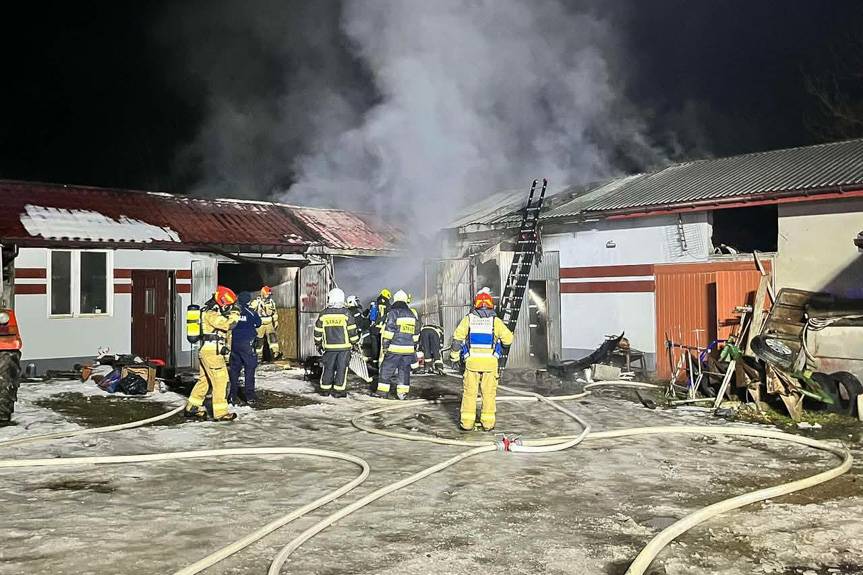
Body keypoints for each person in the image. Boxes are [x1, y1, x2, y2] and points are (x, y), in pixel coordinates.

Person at [450, 289, 514, 431]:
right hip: (490, 365)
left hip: (471, 364)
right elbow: (508, 339)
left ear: (476, 305)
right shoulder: (495, 322)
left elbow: (457, 340)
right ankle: (488, 424)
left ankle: (466, 423)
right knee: (489, 394)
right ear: (491, 305)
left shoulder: (468, 319)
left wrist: (454, 357)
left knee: (469, 393)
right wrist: (501, 347)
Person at [185, 286, 242, 421]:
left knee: (204, 381)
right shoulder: (211, 313)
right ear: (222, 302)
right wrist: (235, 314)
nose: (229, 307)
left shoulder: (212, 311)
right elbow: (227, 325)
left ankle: (193, 407)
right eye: (228, 305)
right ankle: (221, 413)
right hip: (212, 353)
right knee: (221, 381)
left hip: (208, 352)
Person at [314, 288, 359, 397]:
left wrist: (318, 344)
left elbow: (318, 331)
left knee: (328, 368)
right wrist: (355, 342)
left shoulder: (324, 314)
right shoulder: (346, 313)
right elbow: (352, 330)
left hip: (329, 348)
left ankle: (325, 390)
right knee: (341, 369)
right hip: (344, 349)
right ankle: (339, 391)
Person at [376, 290, 421, 399]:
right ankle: (402, 393)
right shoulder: (411, 314)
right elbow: (416, 332)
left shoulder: (393, 312)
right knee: (404, 370)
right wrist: (413, 345)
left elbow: (389, 330)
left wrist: (385, 346)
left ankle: (382, 392)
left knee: (386, 369)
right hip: (408, 349)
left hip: (394, 348)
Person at [228, 291, 262, 406]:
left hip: (235, 344)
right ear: (248, 301)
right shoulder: (251, 312)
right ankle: (250, 396)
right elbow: (258, 323)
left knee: (234, 371)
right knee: (249, 370)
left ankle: (232, 395)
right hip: (247, 344)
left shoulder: (233, 312)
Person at [252, 285, 280, 361]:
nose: (269, 296)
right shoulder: (257, 302)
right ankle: (258, 356)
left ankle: (275, 353)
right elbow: (251, 311)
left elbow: (274, 313)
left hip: (269, 323)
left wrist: (276, 321)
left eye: (269, 294)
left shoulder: (271, 302)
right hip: (260, 324)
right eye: (267, 294)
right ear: (263, 294)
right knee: (259, 340)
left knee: (272, 338)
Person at [368, 288, 391, 367]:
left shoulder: (375, 303)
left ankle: (374, 362)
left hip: (374, 328)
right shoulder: (388, 305)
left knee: (374, 345)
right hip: (382, 328)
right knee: (381, 346)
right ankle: (380, 363)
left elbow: (371, 316)